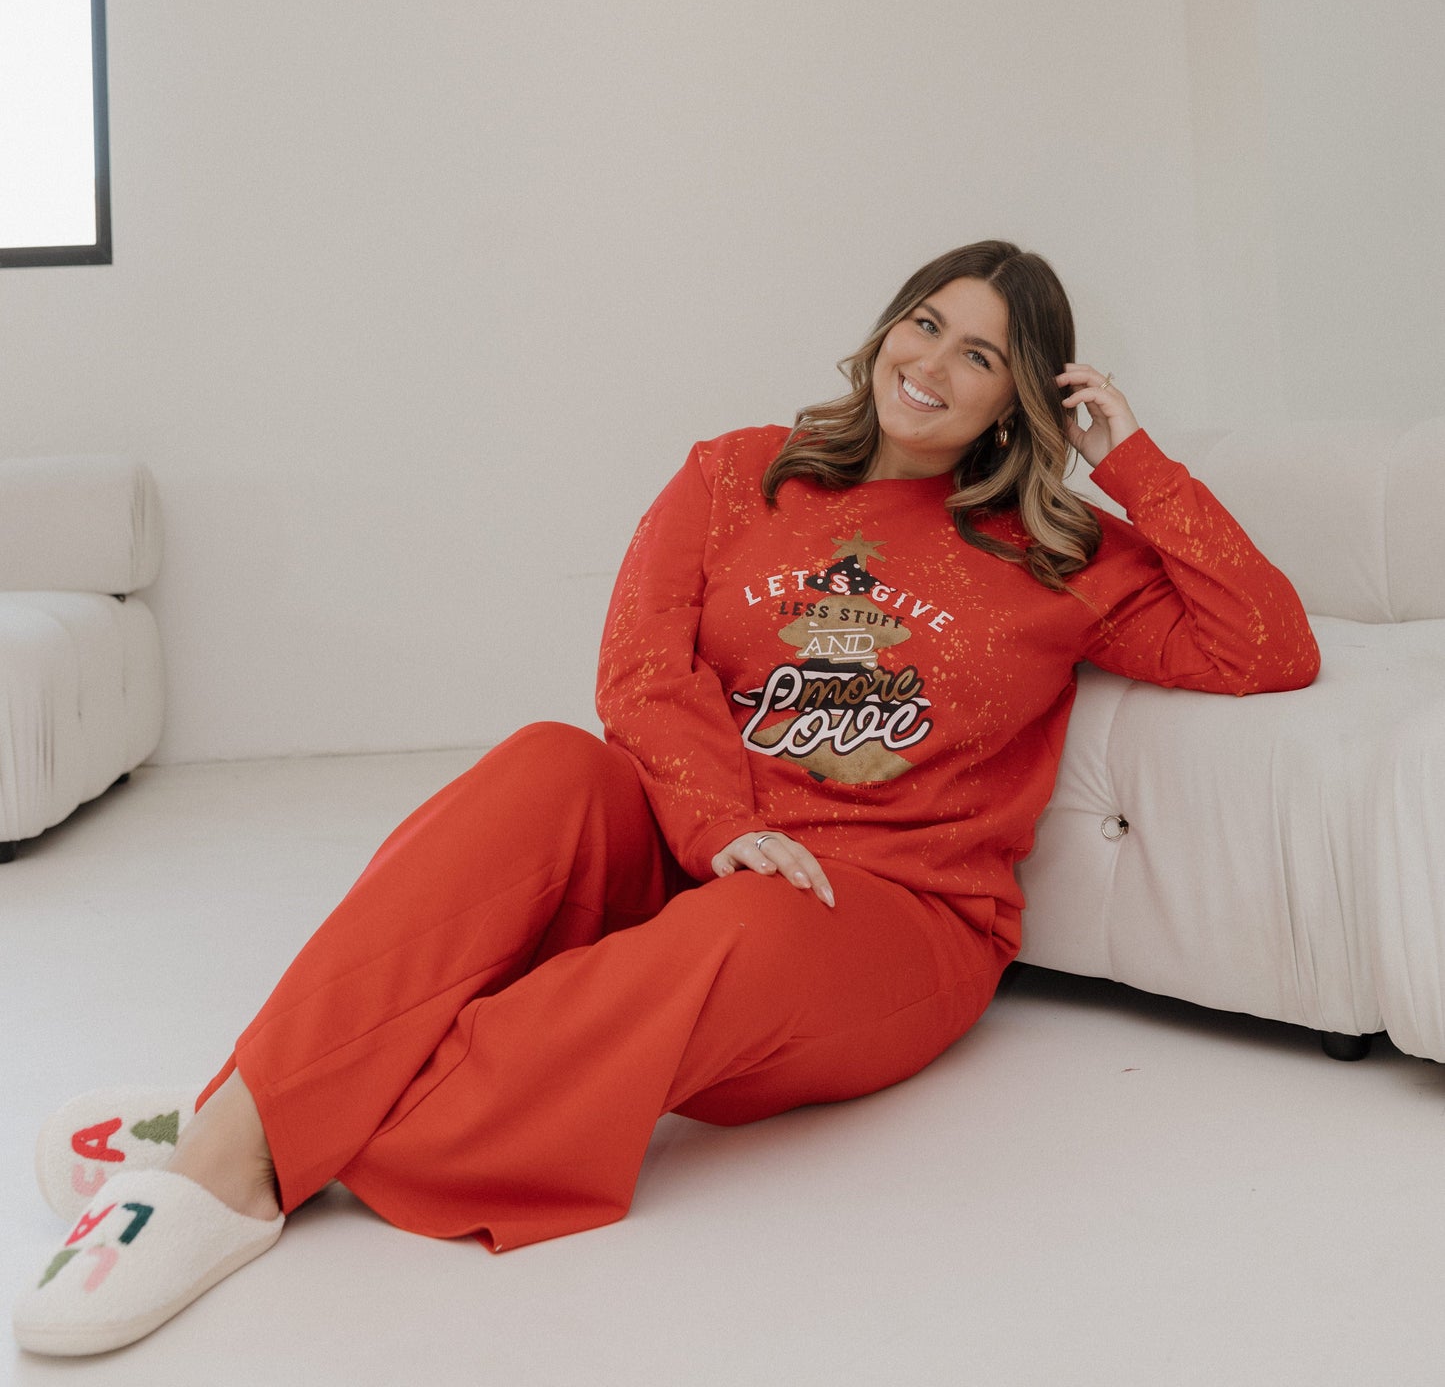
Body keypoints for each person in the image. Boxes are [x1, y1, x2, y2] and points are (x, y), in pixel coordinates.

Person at [12, 239, 1321, 1358]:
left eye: (979, 355)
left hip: (893, 912)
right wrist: (722, 829)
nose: (931, 359)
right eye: (924, 321)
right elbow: (638, 677)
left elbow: (1266, 646)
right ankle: (242, 1147)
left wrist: (1132, 460)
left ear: (1014, 401)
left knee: (736, 937)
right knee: (545, 760)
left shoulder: (1056, 550)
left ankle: (250, 1129)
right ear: (884, 329)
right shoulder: (737, 475)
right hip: (715, 842)